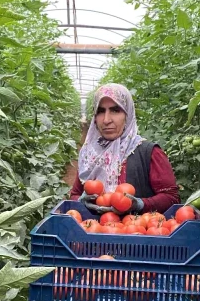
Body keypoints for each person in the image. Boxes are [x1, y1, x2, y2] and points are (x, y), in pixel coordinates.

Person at [70, 83, 180, 214]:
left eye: (115, 110)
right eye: (100, 111)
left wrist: (140, 204)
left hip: (136, 231)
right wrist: (80, 201)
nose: (106, 120)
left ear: (128, 115)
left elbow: (172, 198)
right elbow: (75, 194)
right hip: (92, 230)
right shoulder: (90, 154)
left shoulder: (149, 153)